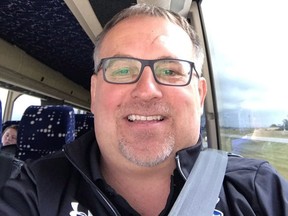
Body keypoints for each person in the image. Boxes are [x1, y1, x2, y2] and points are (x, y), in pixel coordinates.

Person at [0, 4, 287, 216]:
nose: (146, 89)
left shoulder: (259, 190)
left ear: (199, 94)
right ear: (96, 92)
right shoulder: (36, 190)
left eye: (171, 70)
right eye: (122, 69)